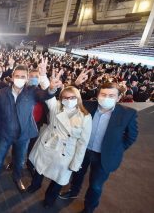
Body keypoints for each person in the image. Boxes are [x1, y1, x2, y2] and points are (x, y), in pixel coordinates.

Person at [59, 81, 138, 213]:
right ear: (98, 94)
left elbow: (131, 136)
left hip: (104, 156)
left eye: (111, 95)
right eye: (103, 94)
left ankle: (89, 208)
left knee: (95, 185)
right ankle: (74, 191)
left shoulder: (127, 113)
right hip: (83, 151)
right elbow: (68, 99)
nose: (106, 98)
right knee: (77, 174)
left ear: (118, 98)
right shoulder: (88, 105)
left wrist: (116, 149)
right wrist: (75, 84)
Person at [0, 65, 59, 193]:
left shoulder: (32, 91)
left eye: (23, 76)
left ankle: (17, 178)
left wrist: (51, 88)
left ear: (27, 78)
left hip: (23, 135)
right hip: (5, 134)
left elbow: (45, 95)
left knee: (20, 161)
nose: (20, 79)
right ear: (12, 77)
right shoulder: (2, 93)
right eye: (17, 76)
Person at [27, 86, 92, 208]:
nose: (69, 100)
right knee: (40, 168)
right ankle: (35, 185)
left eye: (72, 97)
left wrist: (76, 163)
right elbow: (48, 92)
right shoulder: (56, 106)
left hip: (66, 152)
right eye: (65, 97)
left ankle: (49, 199)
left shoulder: (85, 117)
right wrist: (44, 77)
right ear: (61, 99)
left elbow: (83, 143)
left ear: (78, 98)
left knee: (58, 179)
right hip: (48, 145)